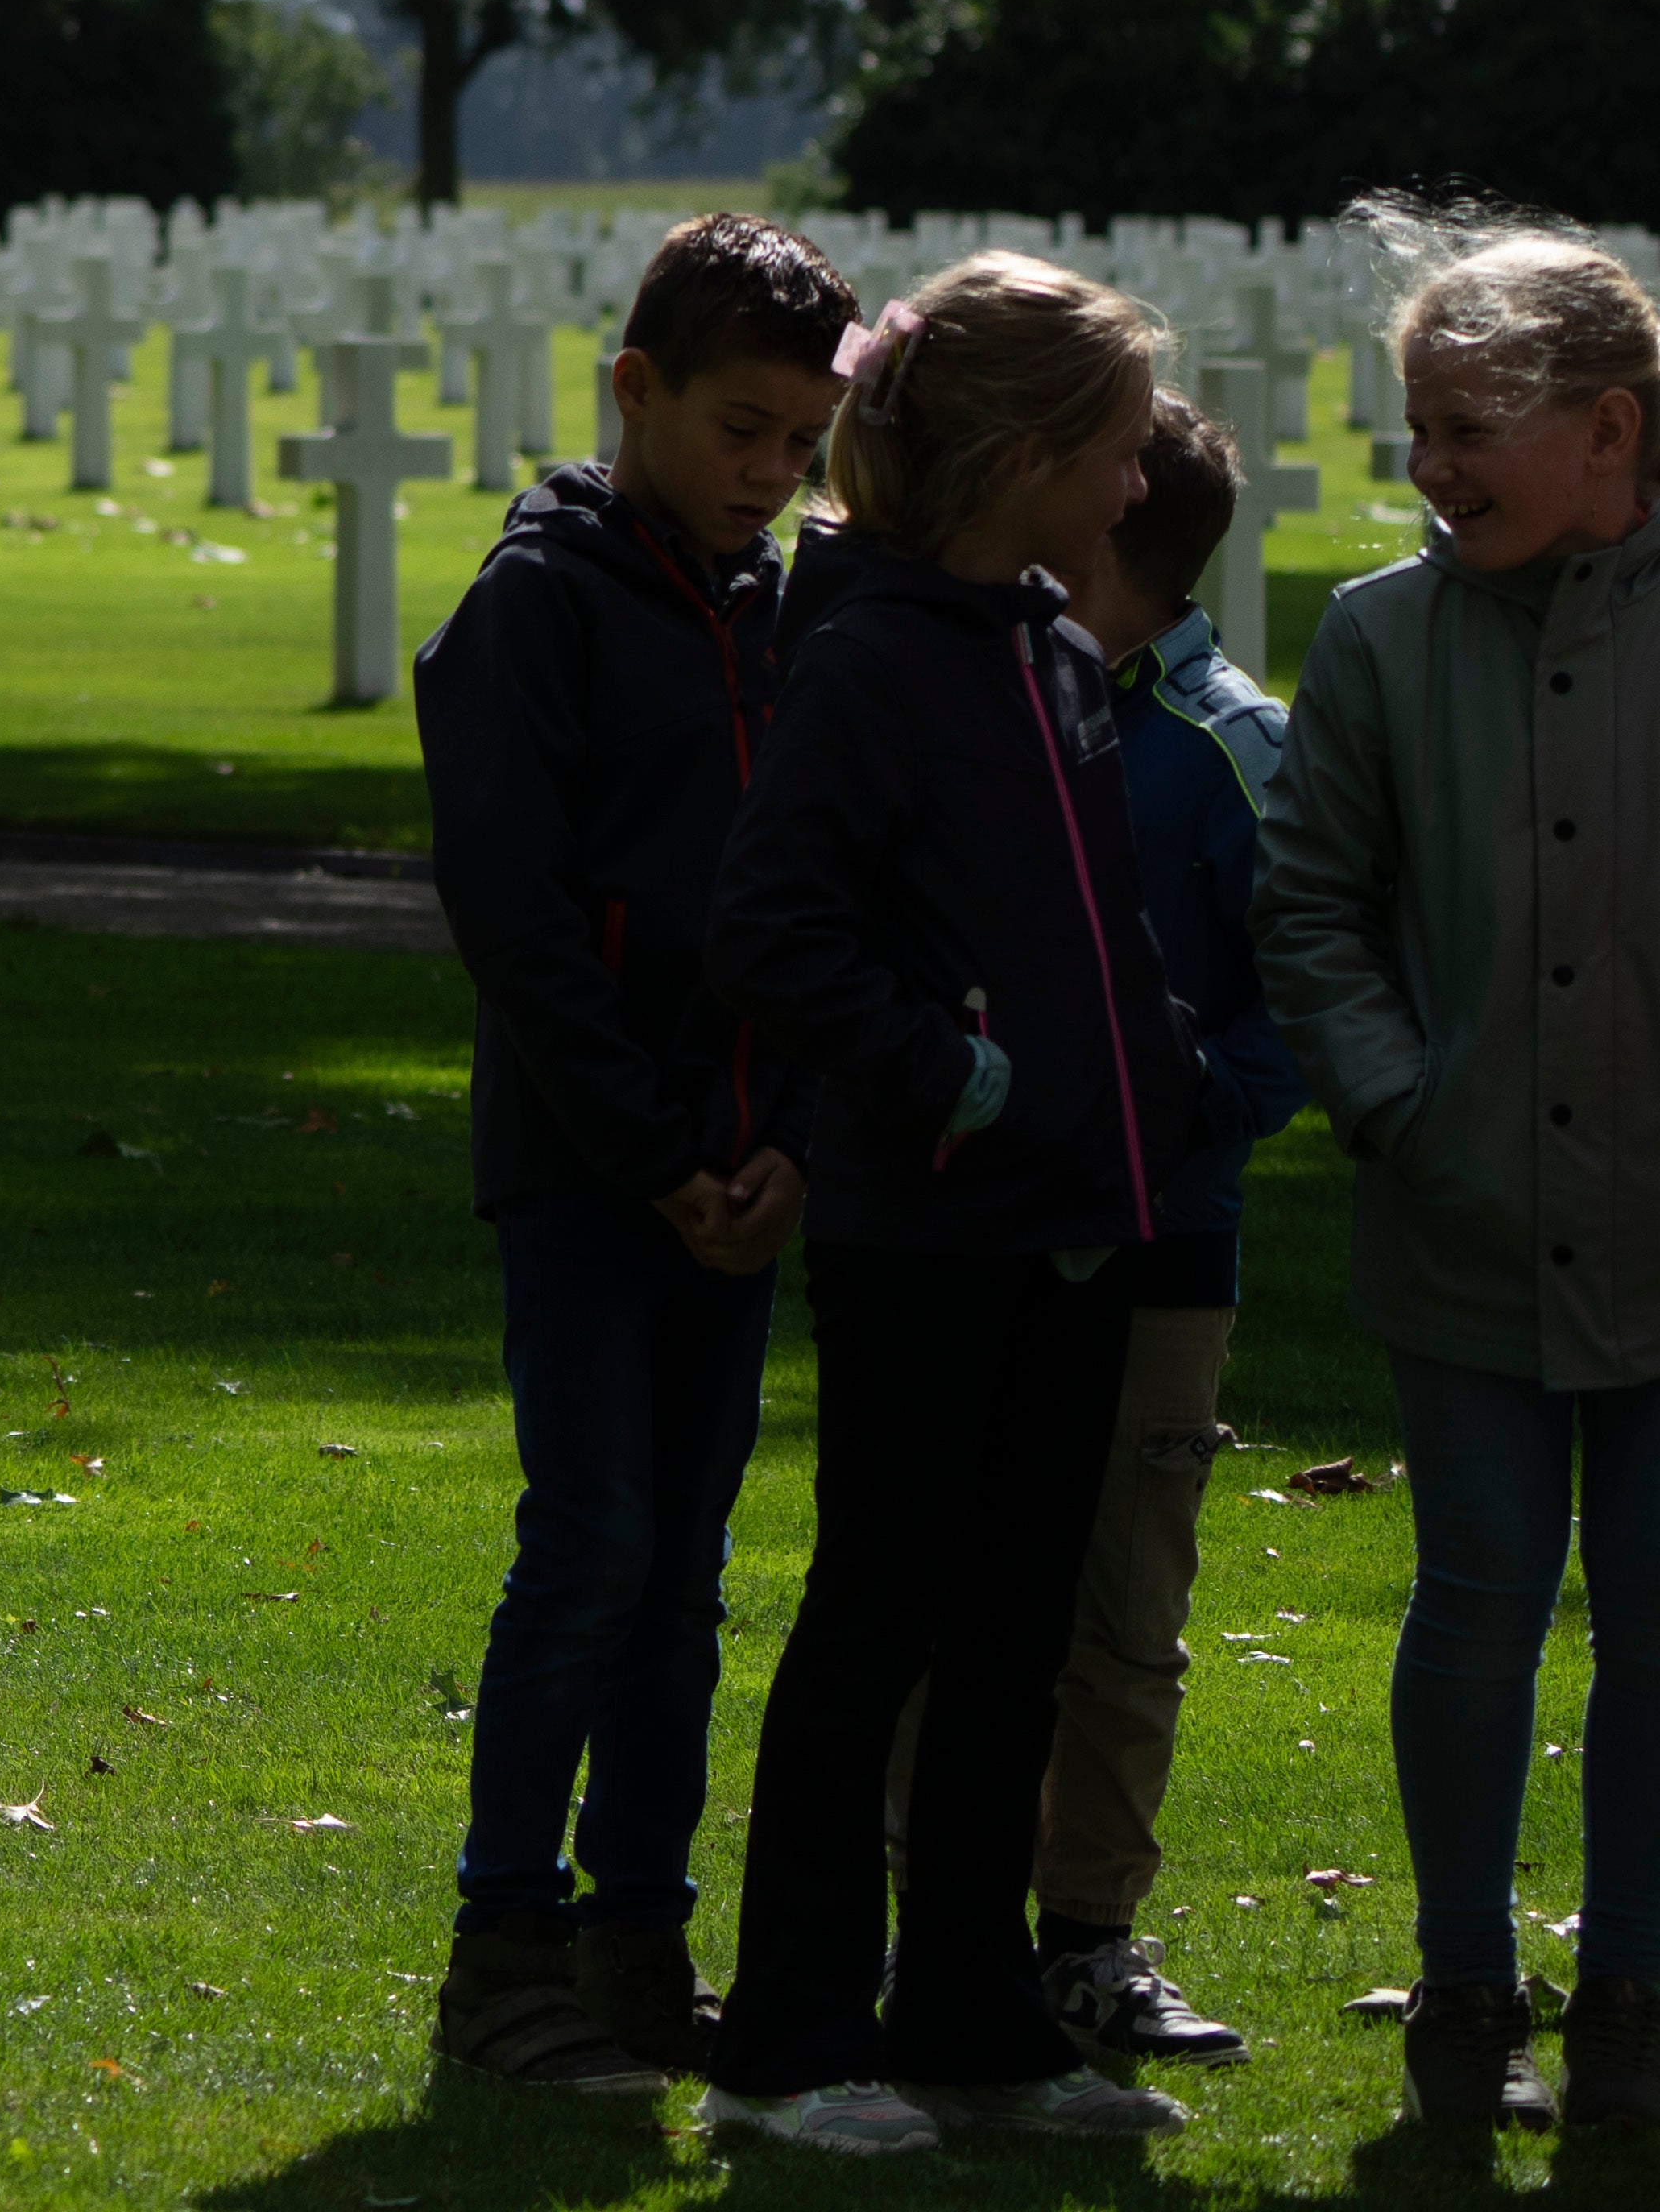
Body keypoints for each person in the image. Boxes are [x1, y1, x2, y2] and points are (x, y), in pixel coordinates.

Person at [696, 247, 1208, 2156]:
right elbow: (776, 928)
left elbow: (1092, 926)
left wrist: (1158, 1082)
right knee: (884, 1617)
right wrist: (953, 1074)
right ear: (1017, 454)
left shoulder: (1052, 642)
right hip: (928, 1225)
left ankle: (971, 2013)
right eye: (1121, 450)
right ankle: (789, 2040)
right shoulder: (867, 657)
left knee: (1017, 1626)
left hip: (1073, 1219)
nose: (1139, 488)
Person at [412, 210, 851, 2102]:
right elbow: (516, 917)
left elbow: (836, 894)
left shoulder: (796, 607)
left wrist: (793, 1148)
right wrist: (665, 1152)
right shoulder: (542, 606)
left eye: (802, 446)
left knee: (685, 1568)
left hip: (749, 1174)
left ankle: (638, 1940)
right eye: (740, 431)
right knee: (586, 1542)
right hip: (596, 1169)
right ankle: (502, 1945)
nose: (770, 477)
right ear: (636, 392)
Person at [1251, 213, 1660, 2141]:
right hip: (1467, 1213)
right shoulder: (1380, 635)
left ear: (1612, 430)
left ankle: (1640, 1993)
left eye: (1473, 424)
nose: (1432, 468)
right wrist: (1402, 1104)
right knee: (1478, 1599)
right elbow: (1311, 901)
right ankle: (1464, 1982)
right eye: (1417, 427)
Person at [1018, 395, 1294, 2068]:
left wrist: (1166, 1108)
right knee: (967, 1583)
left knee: (1124, 1609)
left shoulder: (1228, 745)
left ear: (1112, 528)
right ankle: (938, 1920)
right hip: (983, 1232)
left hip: (1159, 1243)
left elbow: (1301, 1001)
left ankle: (1090, 1932)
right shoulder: (995, 691)